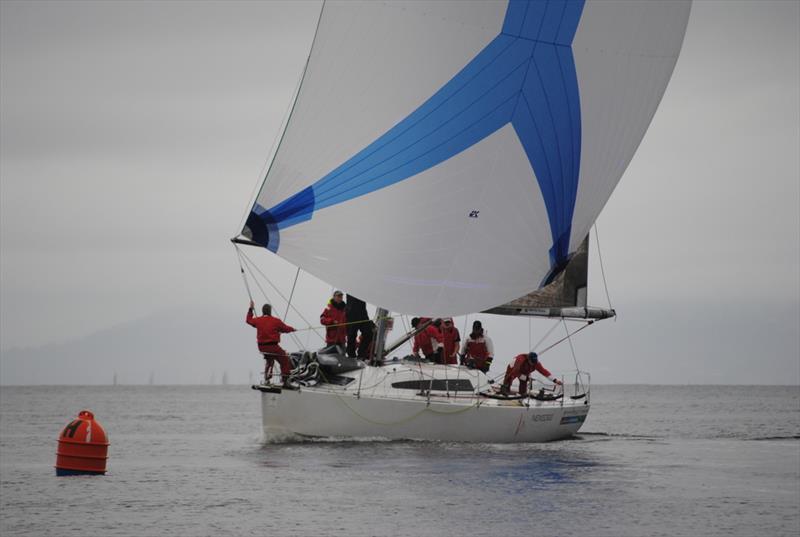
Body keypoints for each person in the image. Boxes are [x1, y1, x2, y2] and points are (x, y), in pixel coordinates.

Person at [246, 301, 296, 386]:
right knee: (284, 359)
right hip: (272, 346)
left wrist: (251, 309)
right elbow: (285, 328)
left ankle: (267, 379)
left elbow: (248, 320)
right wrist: (293, 329)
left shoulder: (258, 320)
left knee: (270, 360)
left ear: (263, 311)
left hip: (261, 347)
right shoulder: (275, 321)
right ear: (270, 311)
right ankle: (286, 381)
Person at [345, 294, 374, 358]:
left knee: (369, 334)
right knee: (351, 335)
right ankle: (351, 355)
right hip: (351, 313)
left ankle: (361, 354)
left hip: (362, 313)